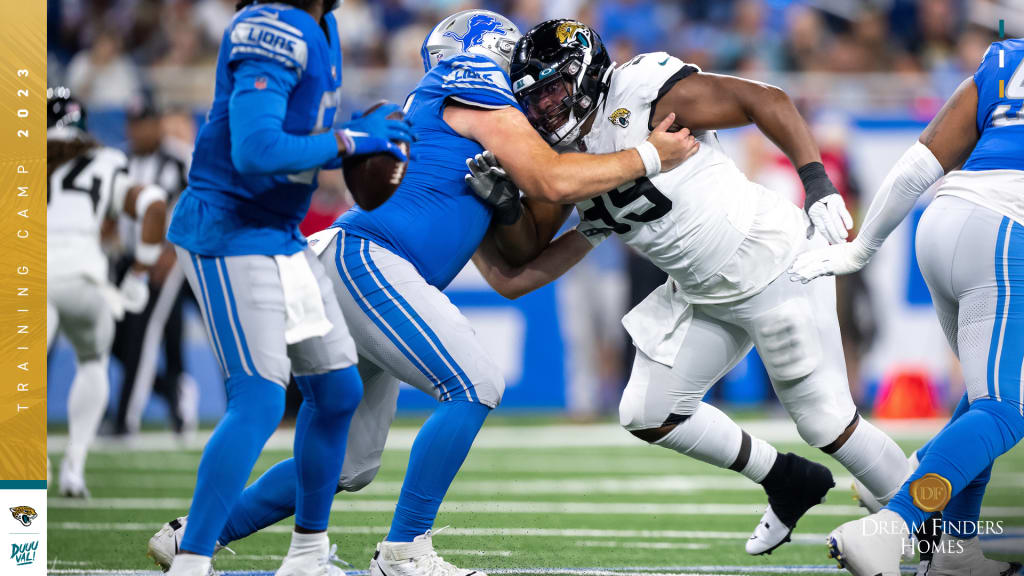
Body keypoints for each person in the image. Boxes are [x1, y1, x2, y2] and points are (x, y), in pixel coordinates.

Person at [147, 9, 697, 576]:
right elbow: (552, 179)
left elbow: (511, 278)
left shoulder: (479, 137)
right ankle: (406, 549)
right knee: (475, 384)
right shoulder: (472, 83)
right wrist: (649, 157)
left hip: (368, 267)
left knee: (350, 464)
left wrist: (589, 228)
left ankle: (197, 536)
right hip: (371, 258)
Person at [472, 19, 914, 556]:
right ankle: (787, 479)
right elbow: (525, 260)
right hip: (702, 290)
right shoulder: (560, 159)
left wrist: (817, 183)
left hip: (770, 261)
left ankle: (949, 544)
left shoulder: (640, 93)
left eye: (551, 94)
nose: (543, 112)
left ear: (583, 75)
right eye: (533, 102)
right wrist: (503, 209)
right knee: (649, 411)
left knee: (826, 421)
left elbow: (765, 100)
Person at [156, 1, 412, 575]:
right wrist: (350, 141)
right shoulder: (273, 26)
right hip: (226, 229)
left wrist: (357, 144)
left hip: (278, 232)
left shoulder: (322, 25)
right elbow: (254, 150)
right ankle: (191, 561)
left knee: (340, 391)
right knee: (261, 399)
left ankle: (307, 555)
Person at [792, 38, 1024, 576]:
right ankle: (891, 525)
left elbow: (920, 164)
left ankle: (955, 551)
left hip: (945, 223)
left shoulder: (1007, 60)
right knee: (1003, 410)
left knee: (988, 396)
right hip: (1006, 231)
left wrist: (861, 247)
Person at [46, 88, 168, 498]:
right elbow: (153, 203)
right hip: (86, 280)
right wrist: (136, 277)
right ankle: (74, 468)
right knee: (93, 361)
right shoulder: (108, 159)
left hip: (31, 277)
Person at [111, 96, 196, 438]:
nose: (137, 131)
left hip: (167, 259)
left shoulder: (178, 160)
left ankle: (125, 420)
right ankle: (172, 390)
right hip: (127, 257)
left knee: (146, 335)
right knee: (115, 338)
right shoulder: (119, 160)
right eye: (133, 124)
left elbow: (196, 207)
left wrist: (173, 251)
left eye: (144, 123)